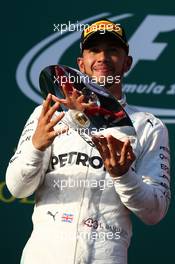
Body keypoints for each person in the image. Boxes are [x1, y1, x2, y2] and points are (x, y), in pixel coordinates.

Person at [6, 19, 171, 264]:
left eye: (112, 50)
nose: (103, 57)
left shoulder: (148, 125)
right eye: (94, 50)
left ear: (127, 63)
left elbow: (155, 211)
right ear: (81, 64)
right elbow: (17, 188)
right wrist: (35, 148)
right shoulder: (49, 113)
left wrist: (124, 176)